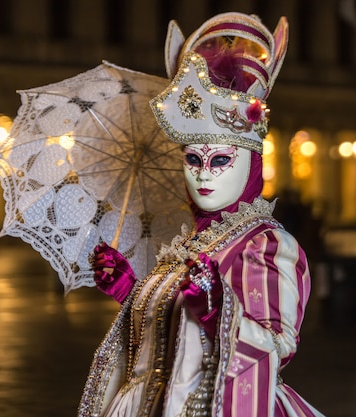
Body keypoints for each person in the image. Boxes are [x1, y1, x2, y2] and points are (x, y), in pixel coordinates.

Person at [78, 12, 324, 417]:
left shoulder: (266, 244)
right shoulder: (190, 241)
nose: (203, 173)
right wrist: (131, 292)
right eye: (193, 158)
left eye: (221, 160)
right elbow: (166, 343)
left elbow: (276, 347)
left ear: (251, 162)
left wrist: (218, 312)